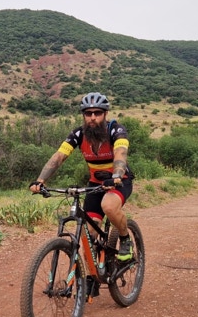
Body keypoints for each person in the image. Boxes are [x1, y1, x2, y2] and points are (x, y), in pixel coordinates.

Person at [29, 92, 135, 261]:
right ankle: (94, 274)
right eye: (88, 113)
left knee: (108, 206)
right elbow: (59, 156)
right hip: (96, 184)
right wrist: (40, 180)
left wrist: (116, 175)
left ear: (105, 114)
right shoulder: (78, 134)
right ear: (83, 115)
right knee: (89, 235)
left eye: (97, 113)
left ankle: (125, 239)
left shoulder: (116, 130)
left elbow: (120, 154)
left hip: (119, 181)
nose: (92, 117)